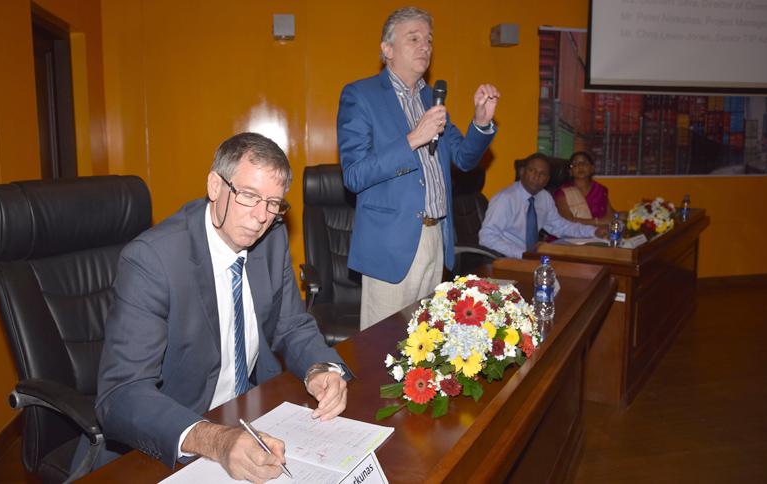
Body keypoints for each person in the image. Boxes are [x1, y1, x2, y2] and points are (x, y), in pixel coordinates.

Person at [88, 133, 350, 482]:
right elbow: (120, 395)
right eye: (249, 196)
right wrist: (216, 439)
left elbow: (292, 324)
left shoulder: (271, 239)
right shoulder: (153, 260)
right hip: (175, 433)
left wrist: (322, 369)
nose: (261, 216)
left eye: (274, 203)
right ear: (215, 185)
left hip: (251, 413)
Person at [337, 6, 500, 329]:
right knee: (382, 352)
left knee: (425, 349)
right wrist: (413, 139)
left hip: (436, 237)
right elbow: (354, 175)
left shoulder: (431, 100)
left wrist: (481, 122)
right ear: (387, 50)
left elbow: (464, 158)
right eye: (413, 38)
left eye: (428, 39)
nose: (425, 46)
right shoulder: (361, 95)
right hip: (391, 244)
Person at [479, 153, 608, 259]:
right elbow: (486, 237)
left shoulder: (544, 197)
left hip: (533, 259)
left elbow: (560, 226)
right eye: (532, 170)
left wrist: (592, 231)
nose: (537, 176)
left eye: (542, 174)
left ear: (547, 179)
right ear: (522, 172)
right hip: (506, 259)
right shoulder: (505, 199)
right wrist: (523, 254)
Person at [553, 151, 618, 227]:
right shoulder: (563, 192)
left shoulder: (600, 190)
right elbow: (568, 220)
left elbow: (610, 215)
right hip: (571, 235)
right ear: (570, 172)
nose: (580, 166)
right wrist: (597, 222)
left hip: (599, 233)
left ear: (592, 168)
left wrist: (624, 215)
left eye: (584, 163)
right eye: (575, 164)